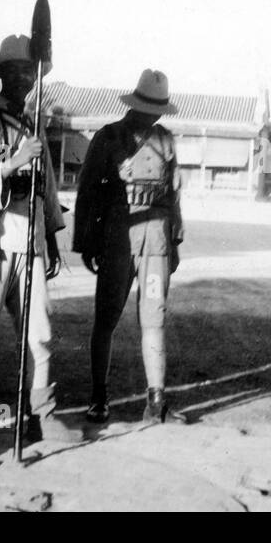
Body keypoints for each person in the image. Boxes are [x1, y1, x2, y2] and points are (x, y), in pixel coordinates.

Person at [0, 34, 85, 448]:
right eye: (15, 72)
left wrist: (50, 239)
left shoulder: (34, 127)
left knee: (39, 332)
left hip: (29, 242)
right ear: (1, 75)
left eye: (30, 72)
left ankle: (39, 414)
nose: (24, 79)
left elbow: (45, 189)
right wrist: (12, 163)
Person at [73, 69, 186, 425]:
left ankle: (155, 404)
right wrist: (87, 242)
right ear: (134, 103)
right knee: (106, 319)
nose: (152, 115)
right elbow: (88, 191)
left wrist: (175, 241)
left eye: (157, 109)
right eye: (147, 107)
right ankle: (98, 398)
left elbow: (173, 195)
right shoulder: (108, 138)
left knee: (154, 318)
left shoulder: (165, 141)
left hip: (155, 240)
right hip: (118, 238)